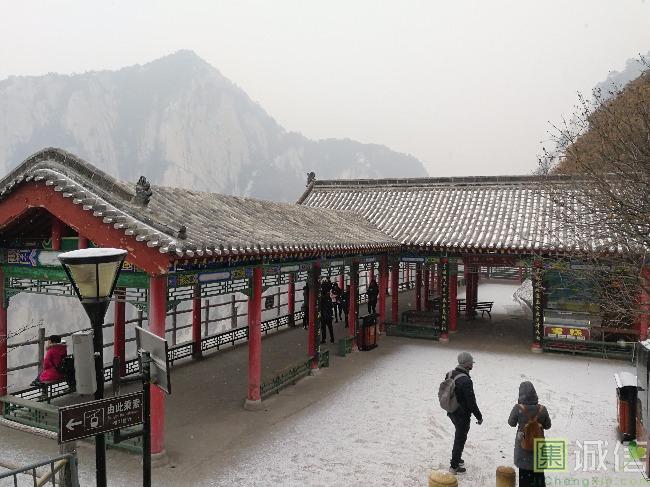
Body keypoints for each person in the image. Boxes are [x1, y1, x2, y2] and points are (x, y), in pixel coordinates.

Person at [507, 381, 551, 487]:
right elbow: (548, 426)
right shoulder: (542, 409)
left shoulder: (518, 408)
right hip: (538, 448)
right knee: (538, 478)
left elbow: (511, 423)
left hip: (523, 448)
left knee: (525, 478)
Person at [446, 352, 482, 474]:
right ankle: (454, 466)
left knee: (459, 436)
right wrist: (479, 417)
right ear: (467, 364)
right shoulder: (466, 381)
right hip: (462, 415)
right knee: (460, 439)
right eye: (471, 363)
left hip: (451, 411)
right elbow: (471, 402)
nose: (472, 365)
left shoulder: (450, 373)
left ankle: (457, 458)